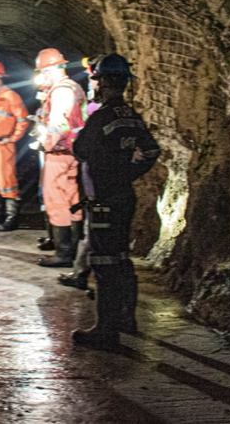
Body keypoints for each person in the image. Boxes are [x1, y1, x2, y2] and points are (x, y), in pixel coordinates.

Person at [72, 54, 160, 351]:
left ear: (106, 82)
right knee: (121, 258)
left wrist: (109, 173)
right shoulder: (131, 116)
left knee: (105, 262)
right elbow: (151, 150)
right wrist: (129, 173)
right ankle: (126, 318)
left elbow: (80, 149)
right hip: (124, 195)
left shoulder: (103, 116)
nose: (95, 85)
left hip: (104, 200)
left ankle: (106, 330)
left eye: (97, 80)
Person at [33, 48, 87, 268]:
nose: (42, 77)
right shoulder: (75, 87)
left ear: (50, 70)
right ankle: (74, 249)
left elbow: (57, 127)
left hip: (59, 154)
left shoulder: (59, 92)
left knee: (56, 202)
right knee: (73, 201)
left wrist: (43, 142)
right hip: (75, 152)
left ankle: (63, 253)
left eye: (43, 72)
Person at [59, 55, 104, 291]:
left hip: (96, 179)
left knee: (93, 228)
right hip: (107, 180)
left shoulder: (96, 110)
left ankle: (82, 273)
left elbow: (80, 142)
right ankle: (86, 272)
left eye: (93, 78)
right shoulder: (114, 110)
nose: (91, 82)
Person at [0, 61, 30, 232]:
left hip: (3, 145)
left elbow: (22, 120)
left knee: (7, 181)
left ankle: (11, 217)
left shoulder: (11, 96)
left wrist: (12, 139)